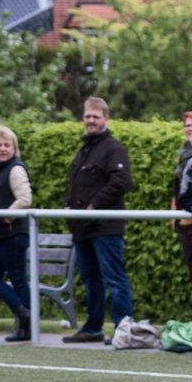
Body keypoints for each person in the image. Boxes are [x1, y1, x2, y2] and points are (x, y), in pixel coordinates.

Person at [63, 97, 134, 344]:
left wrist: (94, 205)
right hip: (83, 227)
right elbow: (75, 184)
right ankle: (93, 328)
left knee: (115, 278)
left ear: (106, 118)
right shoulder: (84, 149)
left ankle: (124, 331)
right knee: (91, 280)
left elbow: (122, 182)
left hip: (105, 226)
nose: (91, 120)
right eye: (87, 116)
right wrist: (67, 203)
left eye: (96, 116)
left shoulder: (113, 148)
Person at [0, 125, 34, 342]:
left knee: (19, 280)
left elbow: (24, 199)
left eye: (7, 145)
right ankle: (23, 313)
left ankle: (27, 325)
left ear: (14, 147)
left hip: (13, 233)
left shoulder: (15, 169)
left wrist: (3, 218)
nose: (2, 149)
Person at [173, 111, 192, 284]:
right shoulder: (183, 152)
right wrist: (174, 215)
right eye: (187, 125)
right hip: (185, 220)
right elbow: (178, 186)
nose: (190, 128)